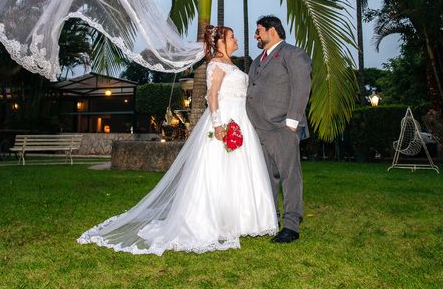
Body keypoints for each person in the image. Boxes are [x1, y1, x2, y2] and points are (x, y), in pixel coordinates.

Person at [77, 25, 277, 255]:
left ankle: (243, 220)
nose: (236, 40)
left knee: (242, 170)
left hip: (242, 121)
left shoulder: (233, 64)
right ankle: (215, 220)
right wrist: (218, 125)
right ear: (220, 42)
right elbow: (212, 96)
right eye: (232, 37)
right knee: (218, 171)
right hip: (225, 121)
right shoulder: (216, 65)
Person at [246, 15, 312, 243]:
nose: (256, 35)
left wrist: (292, 121)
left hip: (283, 127)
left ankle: (291, 226)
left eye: (259, 31)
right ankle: (270, 219)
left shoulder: (293, 54)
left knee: (289, 176)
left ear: (272, 30)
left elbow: (302, 86)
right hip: (259, 130)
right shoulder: (256, 61)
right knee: (267, 177)